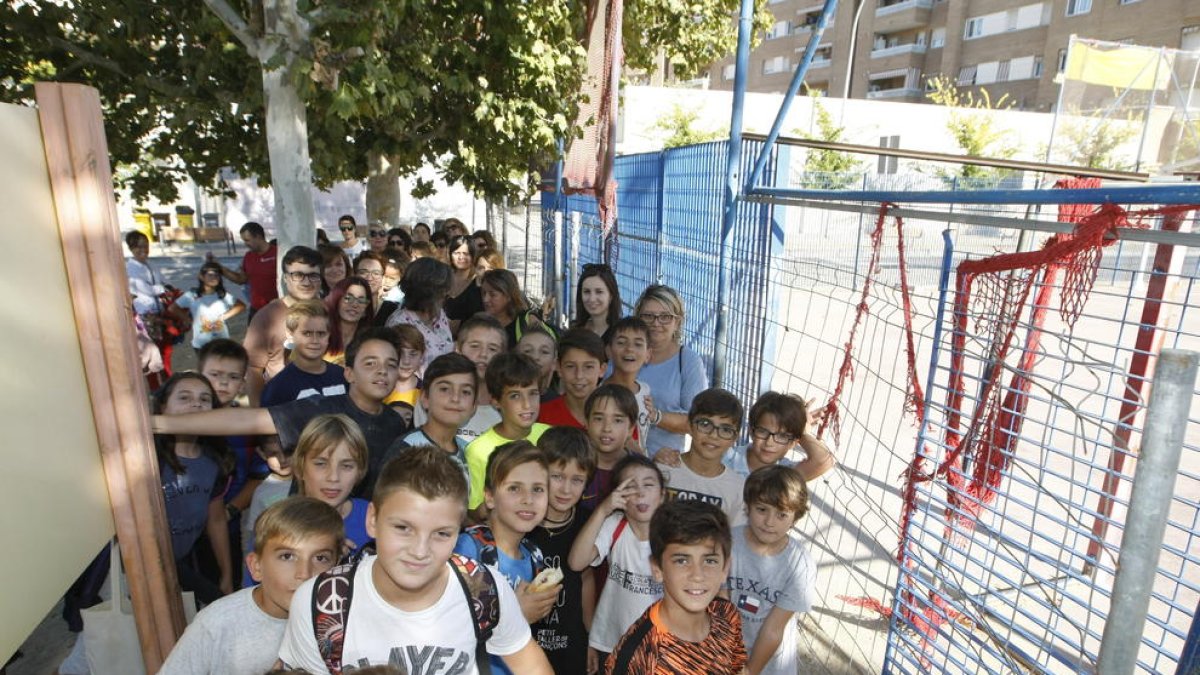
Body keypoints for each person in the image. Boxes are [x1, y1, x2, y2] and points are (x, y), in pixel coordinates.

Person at [276, 447, 553, 673]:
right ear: (372, 520)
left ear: (459, 532)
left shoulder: (482, 588)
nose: (420, 550)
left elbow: (529, 661)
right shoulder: (322, 602)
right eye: (403, 528)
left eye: (442, 534)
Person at [155, 328, 410, 499]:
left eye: (391, 365)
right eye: (370, 363)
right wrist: (160, 424)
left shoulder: (395, 423)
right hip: (310, 529)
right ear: (349, 373)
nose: (382, 371)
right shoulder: (321, 409)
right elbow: (248, 420)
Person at [159, 497, 343, 675]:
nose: (304, 573)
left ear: (336, 568)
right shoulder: (217, 624)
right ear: (256, 566)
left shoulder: (343, 621)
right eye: (287, 556)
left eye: (320, 558)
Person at [455, 442, 560, 675]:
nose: (528, 499)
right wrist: (515, 613)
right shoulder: (469, 550)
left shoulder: (535, 556)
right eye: (514, 488)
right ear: (490, 497)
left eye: (538, 489)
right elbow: (453, 625)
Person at [606, 500, 746, 675]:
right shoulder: (638, 657)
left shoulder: (727, 614)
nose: (697, 575)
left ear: (725, 568)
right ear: (657, 569)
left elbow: (739, 669)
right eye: (682, 561)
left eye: (710, 561)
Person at [567, 455, 667, 669]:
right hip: (612, 643)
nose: (640, 492)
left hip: (660, 648)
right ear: (618, 496)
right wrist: (603, 509)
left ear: (663, 494)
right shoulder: (615, 525)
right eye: (630, 487)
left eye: (648, 485)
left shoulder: (675, 535)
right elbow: (576, 562)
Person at [153, 373, 236, 604]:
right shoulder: (149, 459)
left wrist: (226, 574)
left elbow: (217, 520)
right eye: (184, 397)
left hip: (180, 564)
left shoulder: (213, 462)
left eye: (204, 398)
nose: (196, 403)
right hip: (138, 571)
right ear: (162, 407)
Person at [728, 466, 815, 675]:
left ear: (795, 518)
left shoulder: (799, 563)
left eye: (782, 514)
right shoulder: (726, 543)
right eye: (762, 509)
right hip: (725, 653)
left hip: (770, 665)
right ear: (748, 506)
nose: (769, 522)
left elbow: (773, 629)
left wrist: (750, 671)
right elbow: (718, 608)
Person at [531, 427, 597, 674]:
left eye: (577, 480)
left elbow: (586, 577)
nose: (566, 489)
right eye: (557, 476)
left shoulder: (586, 522)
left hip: (571, 644)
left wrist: (590, 636)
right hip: (524, 644)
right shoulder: (522, 520)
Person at [466, 353, 552, 517]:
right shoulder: (478, 450)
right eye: (515, 396)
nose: (527, 404)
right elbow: (474, 514)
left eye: (533, 393)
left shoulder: (550, 436)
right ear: (496, 401)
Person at [243, 245, 324, 406]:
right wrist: (258, 412)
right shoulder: (266, 317)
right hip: (284, 405)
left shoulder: (329, 311)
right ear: (285, 278)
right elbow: (253, 368)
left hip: (327, 402)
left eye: (313, 275)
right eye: (298, 275)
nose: (306, 282)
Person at [634, 285, 708, 459]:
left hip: (667, 463)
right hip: (624, 459)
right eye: (648, 316)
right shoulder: (624, 353)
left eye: (665, 317)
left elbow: (697, 422)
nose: (656, 323)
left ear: (678, 321)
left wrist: (656, 416)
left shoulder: (688, 362)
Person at [658, 388, 746, 527]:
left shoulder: (738, 489)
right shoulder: (661, 470)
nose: (713, 435)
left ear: (734, 438)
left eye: (725, 430)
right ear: (689, 425)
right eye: (705, 424)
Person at [386, 352, 478, 482]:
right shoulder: (407, 449)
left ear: (474, 406)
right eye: (444, 389)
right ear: (424, 398)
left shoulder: (470, 453)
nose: (455, 398)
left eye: (466, 392)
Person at [291, 414, 371, 555]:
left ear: (360, 471)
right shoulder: (275, 525)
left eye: (346, 466)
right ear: (300, 466)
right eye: (321, 464)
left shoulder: (374, 519)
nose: (334, 477)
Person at [724, 392, 836, 482]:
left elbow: (823, 460)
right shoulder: (727, 459)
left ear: (794, 442)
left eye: (782, 436)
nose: (769, 442)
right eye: (763, 432)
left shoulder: (785, 475)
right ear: (751, 431)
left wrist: (802, 430)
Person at [259, 300, 347, 406]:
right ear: (290, 335)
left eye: (321, 333)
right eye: (307, 333)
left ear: (329, 335)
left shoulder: (343, 376)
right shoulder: (278, 388)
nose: (314, 340)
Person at [241, 435, 293, 587]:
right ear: (262, 453)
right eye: (273, 454)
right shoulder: (262, 492)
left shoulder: (310, 482)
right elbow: (253, 537)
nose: (282, 459)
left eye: (288, 452)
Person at [385, 257, 455, 370]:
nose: (447, 294)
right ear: (427, 293)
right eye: (442, 291)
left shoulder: (439, 315)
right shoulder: (399, 323)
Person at [581, 384, 639, 512]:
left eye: (617, 420)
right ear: (586, 422)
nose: (607, 428)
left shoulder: (641, 470)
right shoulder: (574, 463)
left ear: (631, 429)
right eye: (599, 419)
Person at [539, 329, 606, 429]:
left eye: (588, 367)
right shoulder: (543, 416)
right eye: (570, 366)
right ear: (559, 368)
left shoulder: (618, 415)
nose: (579, 375)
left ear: (602, 370)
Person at [208, 222, 277, 318]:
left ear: (258, 237)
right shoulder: (248, 256)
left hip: (277, 309)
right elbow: (241, 279)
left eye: (247, 240)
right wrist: (219, 267)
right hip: (256, 309)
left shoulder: (277, 253)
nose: (245, 244)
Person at [172, 261, 246, 350]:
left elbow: (241, 306)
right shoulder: (191, 295)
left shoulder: (222, 295)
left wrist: (224, 316)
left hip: (222, 341)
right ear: (201, 277)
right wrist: (188, 319)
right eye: (210, 275)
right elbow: (173, 308)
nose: (214, 278)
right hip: (201, 344)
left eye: (217, 275)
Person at [604, 317, 654, 447]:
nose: (629, 349)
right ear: (609, 351)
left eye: (638, 344)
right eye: (621, 343)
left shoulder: (645, 390)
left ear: (648, 354)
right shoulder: (601, 394)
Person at [125, 230, 169, 370]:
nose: (143, 249)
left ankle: (165, 378)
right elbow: (144, 289)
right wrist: (162, 289)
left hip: (159, 311)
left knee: (164, 349)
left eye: (145, 245)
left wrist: (167, 288)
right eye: (138, 246)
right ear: (131, 248)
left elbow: (164, 281)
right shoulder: (131, 268)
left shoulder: (151, 265)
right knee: (152, 351)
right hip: (146, 315)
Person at [323, 276, 375, 365]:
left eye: (361, 300)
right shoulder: (319, 333)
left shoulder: (370, 344)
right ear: (336, 301)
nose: (355, 304)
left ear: (366, 308)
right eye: (348, 298)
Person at [481, 269, 538, 348]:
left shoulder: (527, 321)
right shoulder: (481, 322)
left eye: (492, 294)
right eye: (484, 293)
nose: (485, 299)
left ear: (509, 296)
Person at [443, 235, 484, 332]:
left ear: (473, 255)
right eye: (456, 253)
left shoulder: (479, 281)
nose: (461, 257)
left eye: (466, 254)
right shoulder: (442, 278)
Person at [573, 263, 622, 343]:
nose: (592, 299)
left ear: (611, 296)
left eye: (599, 292)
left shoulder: (620, 334)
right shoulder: (575, 331)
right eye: (587, 292)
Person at [383, 324, 425, 407]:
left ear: (422, 356)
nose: (406, 361)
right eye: (400, 353)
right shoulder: (379, 387)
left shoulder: (425, 393)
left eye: (413, 354)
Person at [517, 326, 560, 402]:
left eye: (544, 352)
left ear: (554, 363)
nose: (535, 357)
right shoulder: (504, 401)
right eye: (527, 351)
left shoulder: (561, 405)